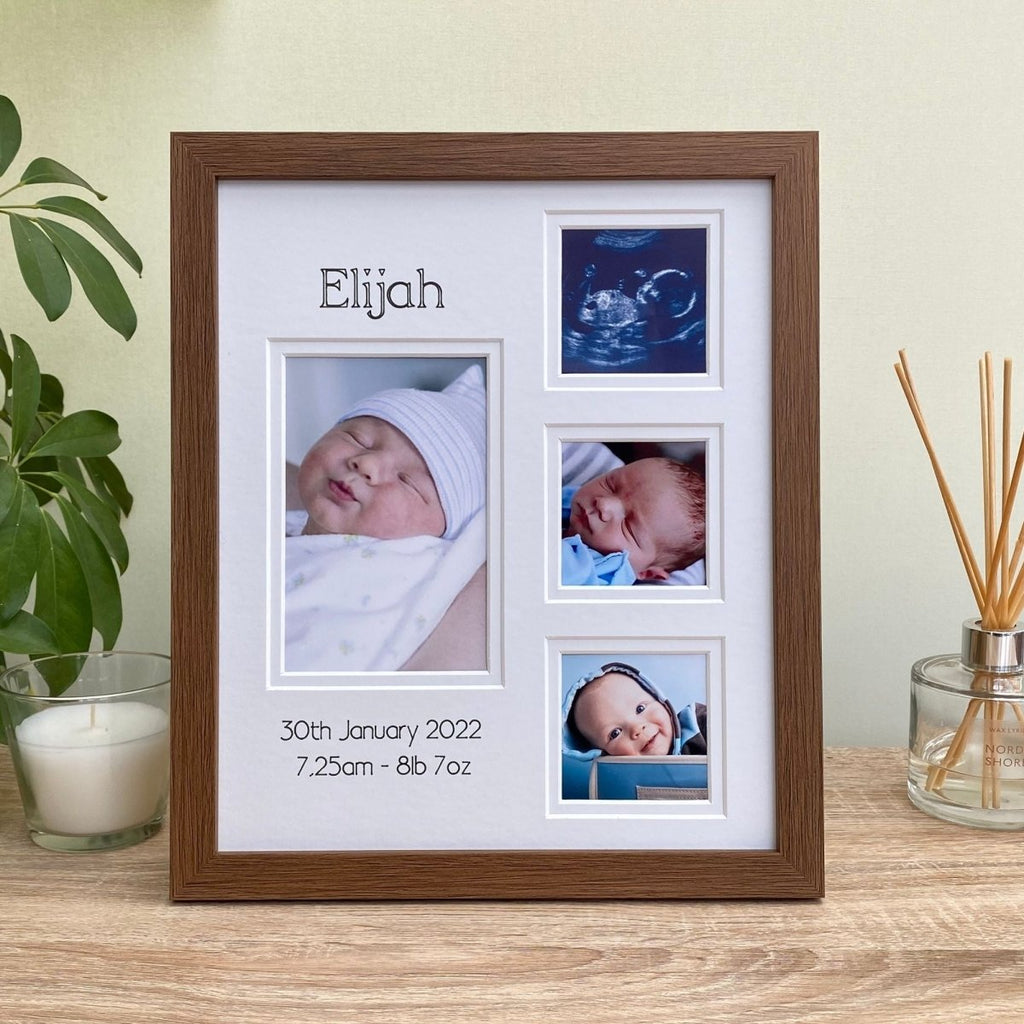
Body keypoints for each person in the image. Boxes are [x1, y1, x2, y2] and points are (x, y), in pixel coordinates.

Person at [288, 364, 486, 541]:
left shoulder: (426, 577)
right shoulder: (271, 521)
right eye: (358, 439)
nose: (367, 464)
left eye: (407, 481)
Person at [561, 443, 705, 586]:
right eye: (610, 485)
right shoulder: (565, 500)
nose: (603, 504)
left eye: (628, 526)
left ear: (648, 574)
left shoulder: (586, 575)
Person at [562, 661, 707, 761]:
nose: (636, 728)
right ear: (603, 753)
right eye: (615, 733)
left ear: (659, 700)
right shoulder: (624, 780)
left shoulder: (700, 723)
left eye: (640, 708)